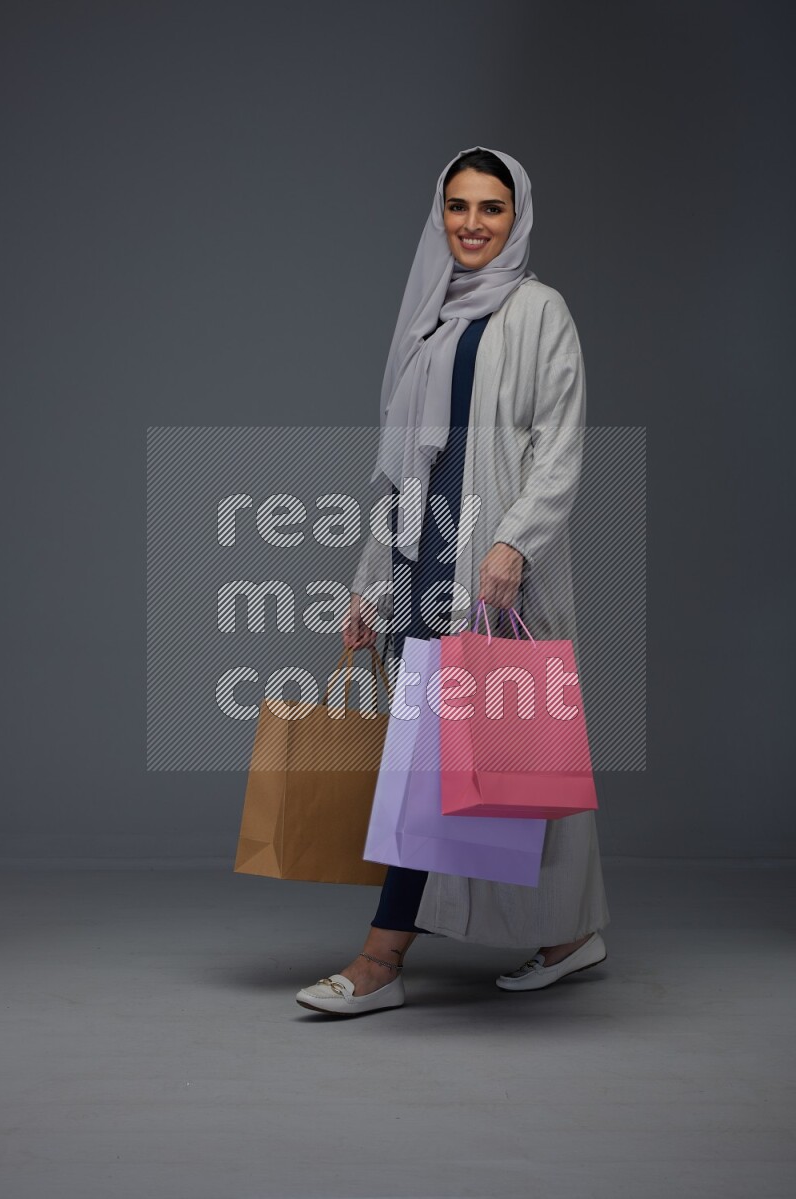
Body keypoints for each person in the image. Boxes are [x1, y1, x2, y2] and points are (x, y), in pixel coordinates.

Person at [296, 146, 610, 1016]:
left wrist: (516, 543)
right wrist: (368, 582)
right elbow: (398, 472)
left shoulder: (542, 312)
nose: (473, 224)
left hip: (499, 568)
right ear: (441, 215)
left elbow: (561, 446)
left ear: (518, 218)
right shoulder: (429, 322)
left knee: (482, 757)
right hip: (421, 560)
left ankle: (380, 957)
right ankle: (569, 932)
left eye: (493, 209)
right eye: (459, 206)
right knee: (467, 761)